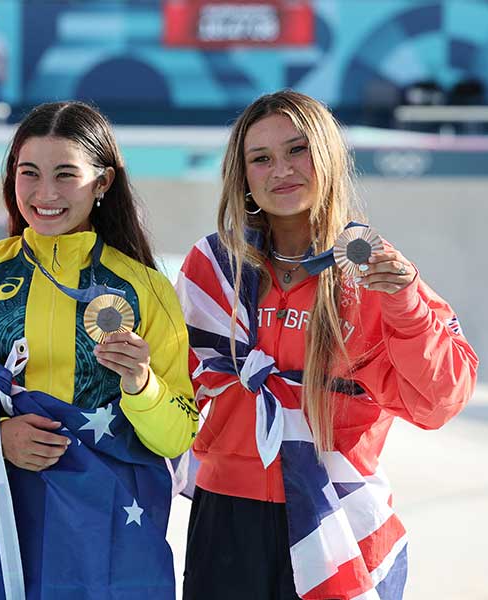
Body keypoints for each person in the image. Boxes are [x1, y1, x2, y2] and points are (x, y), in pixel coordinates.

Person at [0, 101, 199, 597]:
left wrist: (142, 385)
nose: (45, 193)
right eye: (29, 173)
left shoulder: (147, 288)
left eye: (65, 174)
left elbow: (176, 436)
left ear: (103, 183)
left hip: (110, 531)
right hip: (1, 520)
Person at [176, 90, 479, 600]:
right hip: (229, 517)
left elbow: (438, 402)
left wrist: (403, 303)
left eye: (298, 150)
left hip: (338, 515)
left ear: (329, 158)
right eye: (261, 158)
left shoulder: (371, 269)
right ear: (242, 176)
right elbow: (171, 388)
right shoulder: (213, 268)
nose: (281, 170)